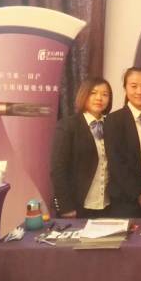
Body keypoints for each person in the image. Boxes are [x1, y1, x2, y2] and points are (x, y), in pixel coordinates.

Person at [50, 77, 113, 218]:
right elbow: (58, 169)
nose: (99, 98)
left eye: (105, 94)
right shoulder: (68, 126)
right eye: (93, 93)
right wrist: (66, 207)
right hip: (78, 206)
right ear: (84, 95)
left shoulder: (112, 125)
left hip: (108, 205)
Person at [104, 67, 141, 218]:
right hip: (125, 194)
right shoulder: (114, 120)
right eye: (134, 86)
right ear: (125, 88)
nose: (139, 91)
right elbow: (116, 162)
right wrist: (138, 194)